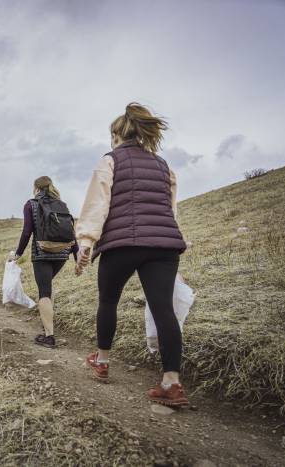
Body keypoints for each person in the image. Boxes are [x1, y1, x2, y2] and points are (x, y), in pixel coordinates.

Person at [75, 103, 189, 407]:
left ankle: (102, 361)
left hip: (122, 244)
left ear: (117, 134)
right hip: (164, 246)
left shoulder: (109, 161)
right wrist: (168, 241)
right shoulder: (165, 166)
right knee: (164, 309)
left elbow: (98, 204)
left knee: (108, 300)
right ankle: (172, 383)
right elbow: (170, 210)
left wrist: (86, 242)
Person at [10, 176, 78, 348]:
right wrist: (77, 257)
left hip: (42, 252)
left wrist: (17, 254)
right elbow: (71, 231)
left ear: (36, 188)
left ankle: (49, 336)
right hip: (62, 253)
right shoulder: (61, 204)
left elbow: (27, 232)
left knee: (44, 292)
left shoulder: (31, 204)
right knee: (47, 288)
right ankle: (48, 324)